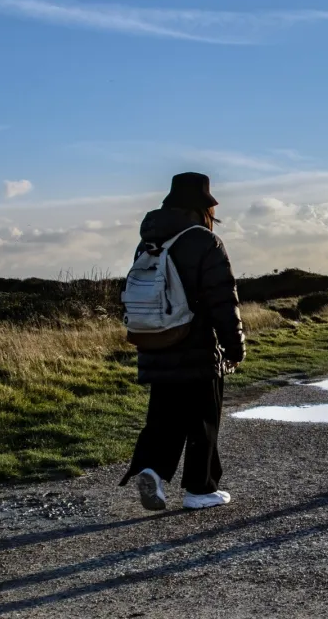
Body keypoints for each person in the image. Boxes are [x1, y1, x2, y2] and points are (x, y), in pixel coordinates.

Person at [119, 172, 246, 511]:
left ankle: (152, 471)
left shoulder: (147, 241)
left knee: (162, 418)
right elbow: (222, 300)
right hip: (198, 346)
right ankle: (200, 489)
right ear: (203, 208)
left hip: (156, 342)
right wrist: (235, 348)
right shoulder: (204, 241)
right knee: (204, 419)